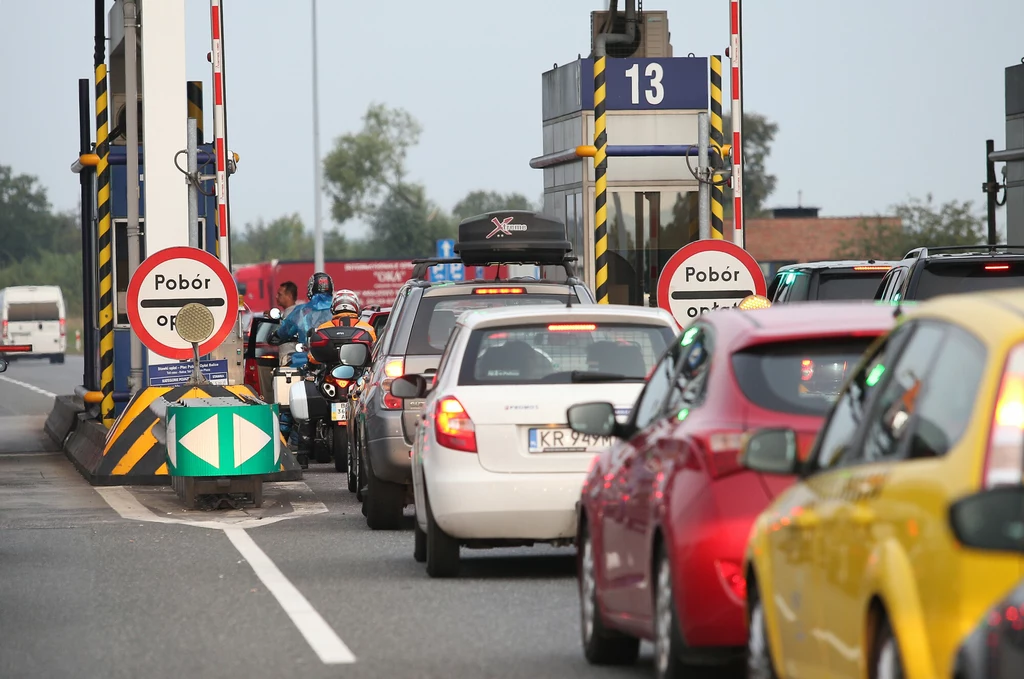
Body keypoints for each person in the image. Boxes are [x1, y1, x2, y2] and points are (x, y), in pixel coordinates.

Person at [272, 272, 335, 362]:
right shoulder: (337, 309)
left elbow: (285, 330)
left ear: (311, 288)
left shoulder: (301, 311)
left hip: (308, 359)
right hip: (333, 359)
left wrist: (277, 335)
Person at [306, 289, 377, 366]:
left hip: (329, 375)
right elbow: (374, 353)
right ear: (356, 306)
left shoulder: (323, 328)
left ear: (334, 307)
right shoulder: (367, 328)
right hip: (358, 374)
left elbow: (313, 357)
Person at [272, 281, 299, 367]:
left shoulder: (294, 315)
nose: (276, 297)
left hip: (291, 360)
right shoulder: (289, 313)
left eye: (280, 294)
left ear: (289, 296)